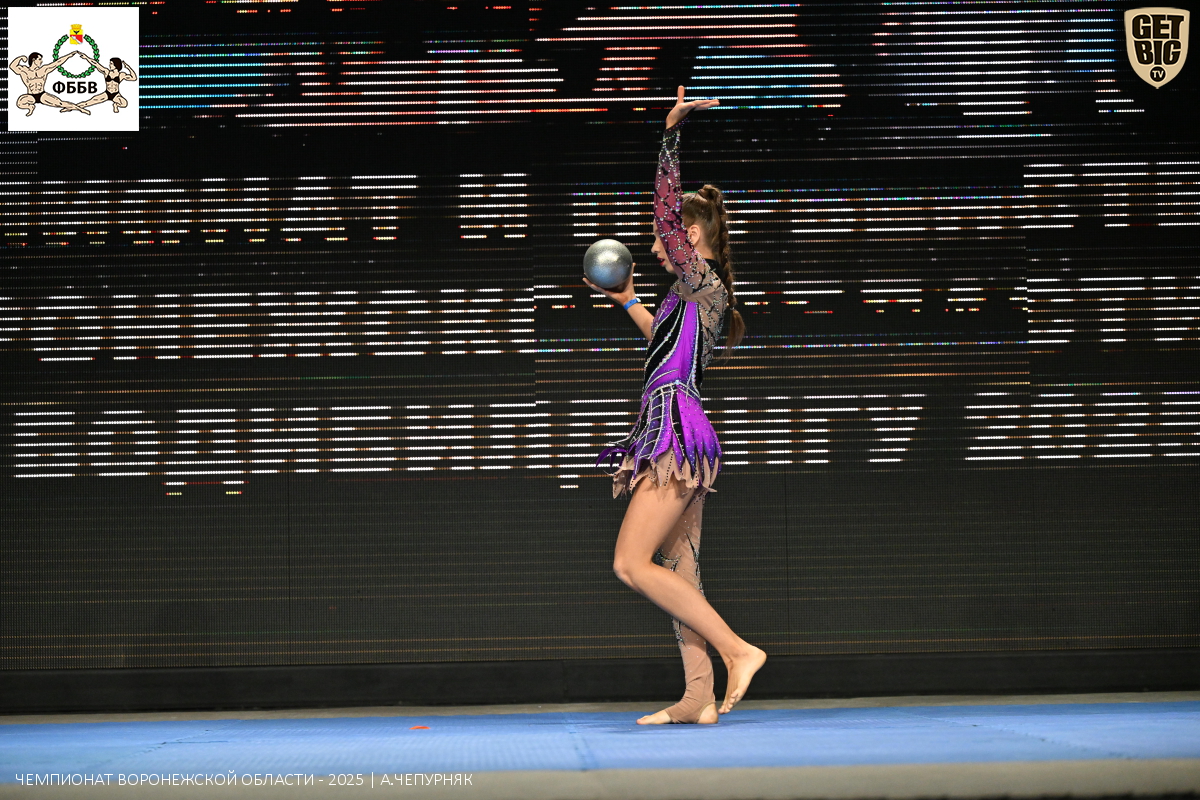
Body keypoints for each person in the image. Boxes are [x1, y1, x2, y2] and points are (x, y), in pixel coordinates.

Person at [585, 86, 765, 725]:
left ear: (689, 236)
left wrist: (669, 133)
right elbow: (662, 346)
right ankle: (698, 697)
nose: (657, 247)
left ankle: (738, 650)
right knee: (677, 569)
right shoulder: (688, 297)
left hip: (675, 428)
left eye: (667, 239)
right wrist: (629, 301)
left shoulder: (701, 281)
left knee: (630, 563)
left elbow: (665, 211)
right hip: (678, 425)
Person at [9, 52, 91, 116]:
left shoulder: (43, 69)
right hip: (30, 96)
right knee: (20, 103)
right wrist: (21, 57)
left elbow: (57, 63)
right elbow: (12, 66)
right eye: (39, 59)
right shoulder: (24, 70)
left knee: (60, 103)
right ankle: (30, 107)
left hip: (42, 95)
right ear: (34, 60)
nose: (41, 61)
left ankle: (80, 109)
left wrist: (69, 56)